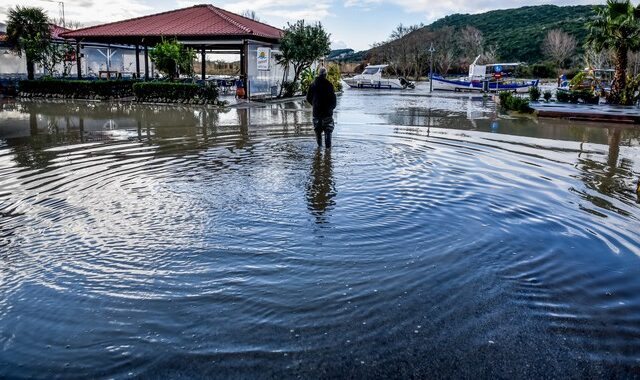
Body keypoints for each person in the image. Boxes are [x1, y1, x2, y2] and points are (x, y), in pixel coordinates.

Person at [306, 67, 337, 148]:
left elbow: (308, 98)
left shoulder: (312, 84)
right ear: (325, 75)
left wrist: (315, 105)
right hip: (327, 113)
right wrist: (331, 108)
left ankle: (319, 150)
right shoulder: (329, 85)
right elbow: (333, 100)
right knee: (328, 131)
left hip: (316, 113)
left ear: (318, 74)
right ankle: (328, 152)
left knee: (318, 131)